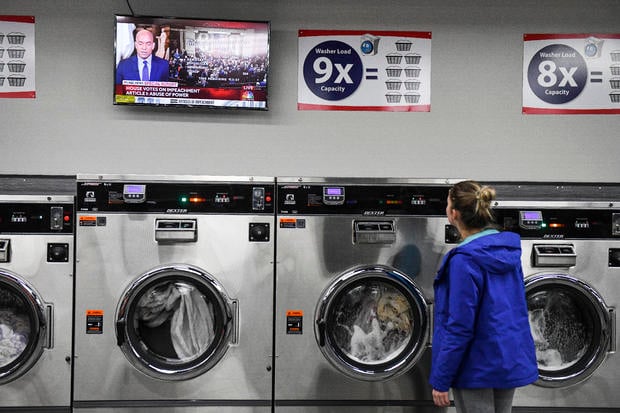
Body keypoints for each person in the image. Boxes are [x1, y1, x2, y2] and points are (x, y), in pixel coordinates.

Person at [429, 180, 538, 413]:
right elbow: (515, 308)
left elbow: (459, 326)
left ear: (453, 214)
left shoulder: (463, 260)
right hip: (507, 357)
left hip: (474, 366)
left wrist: (441, 378)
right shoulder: (507, 250)